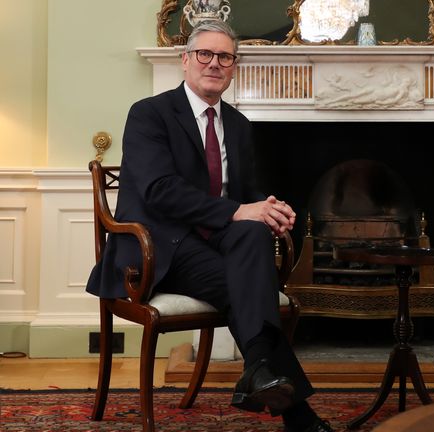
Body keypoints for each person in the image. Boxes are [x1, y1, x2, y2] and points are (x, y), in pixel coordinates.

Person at [86, 20, 333, 432]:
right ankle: (299, 415)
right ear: (185, 61)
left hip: (214, 244)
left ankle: (257, 368)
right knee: (252, 288)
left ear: (234, 67)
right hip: (156, 247)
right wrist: (239, 213)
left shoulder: (238, 125)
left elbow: (250, 197)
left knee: (254, 234)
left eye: (225, 56)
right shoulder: (149, 114)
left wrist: (270, 209)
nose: (214, 63)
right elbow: (159, 190)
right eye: (205, 54)